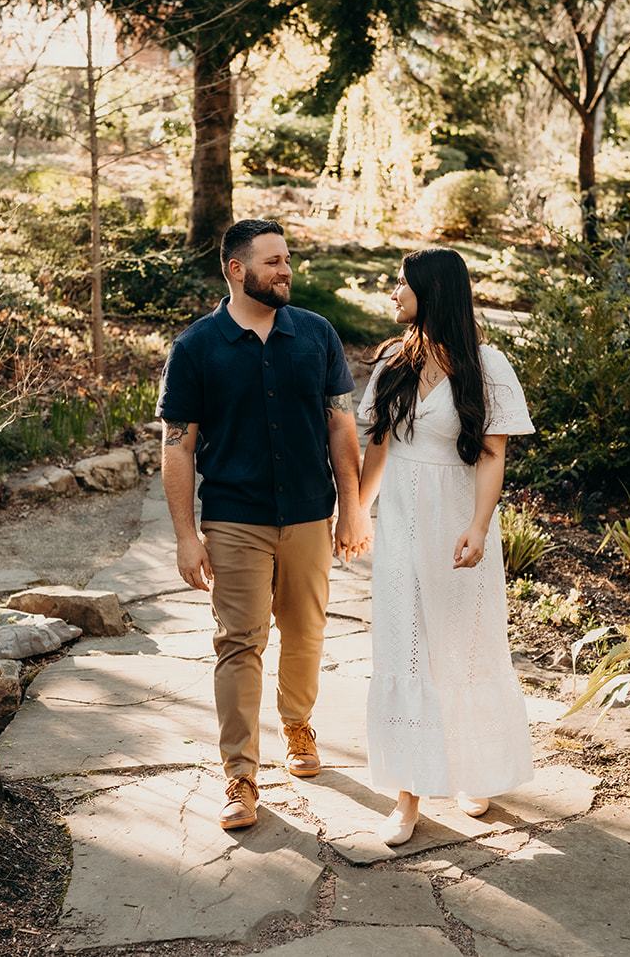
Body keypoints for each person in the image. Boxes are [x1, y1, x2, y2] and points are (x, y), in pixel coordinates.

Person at [157, 218, 373, 831]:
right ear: (237, 269)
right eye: (274, 262)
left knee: (306, 633)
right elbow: (178, 447)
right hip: (234, 520)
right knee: (239, 643)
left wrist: (353, 506)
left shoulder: (316, 335)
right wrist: (185, 535)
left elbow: (340, 426)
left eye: (286, 259)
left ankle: (299, 727)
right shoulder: (196, 347)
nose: (286, 271)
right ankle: (240, 775)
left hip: (309, 512)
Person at [356, 246, 535, 846]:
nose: (393, 294)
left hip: (458, 523)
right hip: (402, 524)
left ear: (431, 292)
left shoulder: (488, 367)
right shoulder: (392, 365)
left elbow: (491, 455)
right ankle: (406, 797)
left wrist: (481, 526)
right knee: (406, 648)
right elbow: (376, 450)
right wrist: (355, 511)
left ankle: (470, 770)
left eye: (400, 284)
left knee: (463, 646)